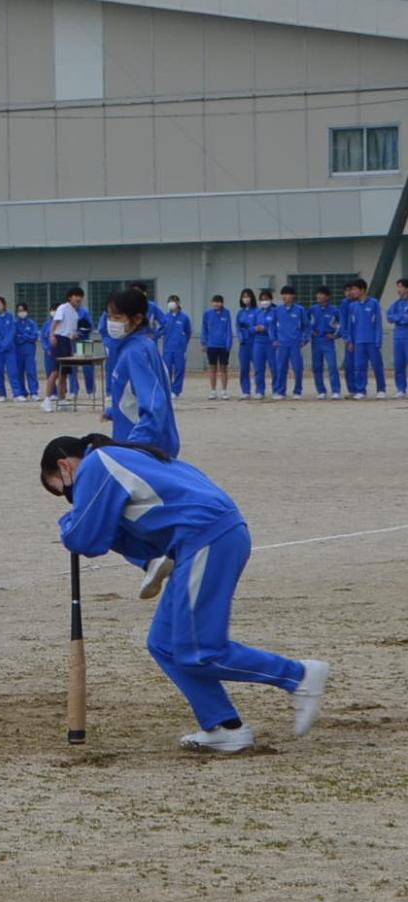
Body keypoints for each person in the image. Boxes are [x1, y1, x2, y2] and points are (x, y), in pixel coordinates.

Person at [44, 433, 327, 753]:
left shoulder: (97, 462)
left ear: (65, 466)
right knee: (164, 645)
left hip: (205, 536)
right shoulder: (129, 455)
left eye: (67, 491)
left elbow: (86, 538)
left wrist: (67, 522)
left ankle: (298, 676)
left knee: (201, 650)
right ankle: (224, 726)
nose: (73, 497)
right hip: (202, 538)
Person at [104, 287, 179, 458]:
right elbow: (134, 394)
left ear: (137, 319)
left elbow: (154, 403)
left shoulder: (134, 352)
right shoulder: (142, 345)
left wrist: (136, 445)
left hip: (145, 449)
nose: (111, 323)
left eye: (117, 318)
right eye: (109, 317)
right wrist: (114, 411)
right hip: (143, 444)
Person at [45, 288, 83, 410]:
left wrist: (75, 334)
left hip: (67, 341)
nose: (78, 298)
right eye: (75, 296)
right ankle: (47, 400)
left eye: (80, 296)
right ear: (69, 297)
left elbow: (71, 331)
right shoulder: (63, 307)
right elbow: (55, 323)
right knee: (56, 371)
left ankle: (62, 400)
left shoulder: (76, 314)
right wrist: (51, 335)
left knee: (64, 373)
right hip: (59, 339)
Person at [269, 285, 308, 400]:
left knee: (298, 368)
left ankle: (297, 391)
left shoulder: (299, 309)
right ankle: (281, 391)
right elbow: (271, 326)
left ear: (293, 296)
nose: (285, 296)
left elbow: (306, 326)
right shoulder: (277, 310)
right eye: (283, 294)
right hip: (282, 344)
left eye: (287, 294)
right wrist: (274, 339)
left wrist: (304, 339)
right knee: (280, 368)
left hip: (295, 344)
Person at [307, 287, 341, 400]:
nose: (318, 297)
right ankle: (321, 391)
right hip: (316, 342)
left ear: (327, 297)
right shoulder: (312, 309)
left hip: (328, 342)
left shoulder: (334, 310)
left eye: (321, 295)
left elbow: (342, 324)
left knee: (332, 366)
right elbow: (304, 323)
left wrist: (336, 335)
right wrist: (311, 332)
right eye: (317, 294)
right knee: (317, 367)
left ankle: (336, 390)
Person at [201, 294, 233, 399]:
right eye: (214, 301)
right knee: (212, 368)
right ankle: (213, 391)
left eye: (219, 302)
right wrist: (203, 343)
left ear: (222, 303)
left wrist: (229, 343)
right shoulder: (207, 314)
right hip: (211, 345)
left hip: (224, 345)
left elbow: (229, 329)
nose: (216, 304)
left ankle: (224, 391)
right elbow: (204, 329)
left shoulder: (226, 313)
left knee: (224, 368)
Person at [159, 295, 192, 396]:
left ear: (178, 303)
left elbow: (188, 332)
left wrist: (183, 343)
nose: (171, 304)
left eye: (173, 301)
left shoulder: (184, 317)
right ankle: (167, 389)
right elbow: (161, 331)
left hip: (179, 349)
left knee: (179, 369)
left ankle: (176, 391)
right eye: (169, 301)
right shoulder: (165, 317)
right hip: (168, 348)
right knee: (166, 369)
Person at [234, 289, 263, 399]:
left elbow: (258, 327)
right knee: (244, 368)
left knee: (258, 367)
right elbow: (238, 327)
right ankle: (245, 391)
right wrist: (241, 337)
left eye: (248, 296)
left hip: (255, 343)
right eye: (244, 296)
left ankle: (260, 390)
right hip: (244, 344)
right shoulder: (240, 313)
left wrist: (250, 329)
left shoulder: (257, 312)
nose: (246, 298)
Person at [11, 302, 40, 399]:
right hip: (18, 352)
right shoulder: (14, 323)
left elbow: (34, 336)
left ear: (27, 311)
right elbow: (15, 338)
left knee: (31, 372)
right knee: (19, 373)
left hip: (29, 352)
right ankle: (22, 392)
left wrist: (23, 336)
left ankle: (34, 392)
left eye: (23, 310)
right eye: (19, 311)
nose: (21, 312)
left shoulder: (32, 323)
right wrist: (27, 336)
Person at [390, 279, 408, 398]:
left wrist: (399, 318)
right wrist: (401, 318)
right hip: (398, 338)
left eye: (400, 287)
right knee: (399, 364)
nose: (398, 289)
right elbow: (389, 316)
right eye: (397, 287)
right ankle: (401, 389)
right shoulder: (396, 304)